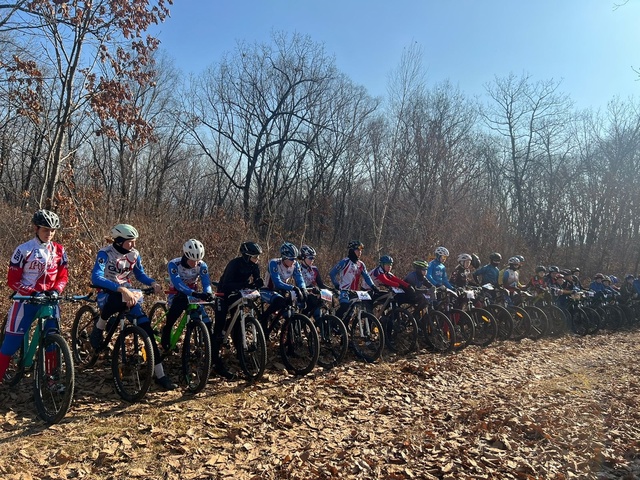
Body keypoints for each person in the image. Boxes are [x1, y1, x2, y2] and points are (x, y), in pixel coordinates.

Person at [89, 224, 176, 391]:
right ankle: (99, 327)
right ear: (119, 241)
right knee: (116, 298)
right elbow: (96, 276)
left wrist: (152, 283)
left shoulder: (134, 255)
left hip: (128, 294)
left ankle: (161, 374)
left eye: (134, 242)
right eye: (130, 242)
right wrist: (120, 288)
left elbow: (139, 274)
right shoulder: (105, 253)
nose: (133, 245)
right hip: (107, 293)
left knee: (147, 329)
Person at [0, 210, 68, 382]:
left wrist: (56, 290)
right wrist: (31, 292)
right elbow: (12, 281)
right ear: (36, 228)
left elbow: (63, 276)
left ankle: (51, 380)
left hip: (49, 301)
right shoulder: (23, 250)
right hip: (25, 301)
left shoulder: (59, 250)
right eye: (46, 229)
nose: (50, 233)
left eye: (53, 230)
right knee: (11, 344)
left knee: (53, 341)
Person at [214, 241, 264, 377]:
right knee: (219, 324)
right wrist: (245, 284)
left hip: (239, 293)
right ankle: (215, 358)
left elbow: (257, 279)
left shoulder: (254, 265)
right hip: (224, 293)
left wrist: (258, 283)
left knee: (237, 322)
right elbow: (227, 284)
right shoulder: (234, 264)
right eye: (255, 256)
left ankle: (240, 352)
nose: (257, 259)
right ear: (247, 256)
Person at [160, 239, 214, 354]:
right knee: (174, 313)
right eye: (192, 260)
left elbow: (206, 282)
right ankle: (167, 331)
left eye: (197, 260)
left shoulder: (202, 265)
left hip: (193, 293)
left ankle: (209, 347)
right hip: (176, 292)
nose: (195, 263)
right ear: (185, 256)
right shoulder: (174, 264)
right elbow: (178, 283)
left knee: (206, 321)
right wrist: (194, 293)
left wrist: (208, 293)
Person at [260, 242, 307, 329]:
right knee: (279, 302)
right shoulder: (274, 263)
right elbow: (277, 282)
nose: (294, 261)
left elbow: (299, 278)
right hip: (268, 290)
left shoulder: (295, 264)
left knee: (290, 311)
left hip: (282, 290)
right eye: (292, 259)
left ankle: (288, 338)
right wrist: (293, 288)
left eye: (295, 259)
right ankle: (263, 318)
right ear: (285, 258)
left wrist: (303, 288)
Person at [329, 240, 380, 319]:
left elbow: (366, 277)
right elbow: (332, 273)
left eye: (361, 250)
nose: (360, 252)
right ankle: (333, 322)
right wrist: (336, 284)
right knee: (345, 306)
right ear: (352, 251)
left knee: (351, 312)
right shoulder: (345, 262)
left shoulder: (361, 264)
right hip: (344, 290)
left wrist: (373, 286)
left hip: (355, 291)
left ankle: (344, 328)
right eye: (357, 250)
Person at [297, 245, 329, 321]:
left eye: (313, 258)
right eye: (310, 258)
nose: (312, 260)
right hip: (302, 294)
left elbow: (320, 284)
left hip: (313, 294)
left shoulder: (314, 269)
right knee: (308, 307)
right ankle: (301, 322)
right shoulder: (298, 268)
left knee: (318, 314)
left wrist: (331, 289)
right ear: (303, 258)